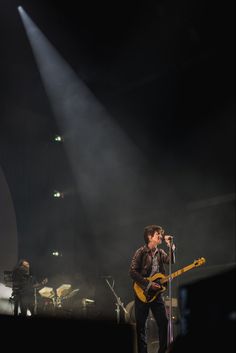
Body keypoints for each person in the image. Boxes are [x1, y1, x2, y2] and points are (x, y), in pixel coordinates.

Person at [129, 224, 176, 353]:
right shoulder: (141, 252)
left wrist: (171, 247)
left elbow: (171, 261)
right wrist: (148, 284)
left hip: (156, 294)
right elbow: (132, 272)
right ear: (150, 237)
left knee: (164, 322)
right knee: (141, 328)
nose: (160, 236)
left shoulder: (160, 253)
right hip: (142, 293)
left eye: (161, 234)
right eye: (157, 234)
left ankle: (162, 351)